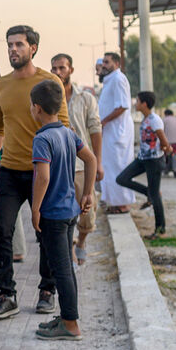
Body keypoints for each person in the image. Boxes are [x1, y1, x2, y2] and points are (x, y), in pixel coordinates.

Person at [0, 24, 70, 320]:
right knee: (2, 231)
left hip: (42, 172)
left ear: (33, 48)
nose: (13, 50)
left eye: (19, 44)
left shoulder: (50, 81)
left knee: (44, 232)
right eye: (9, 45)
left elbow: (64, 128)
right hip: (9, 170)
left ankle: (47, 290)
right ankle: (6, 294)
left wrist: (64, 173)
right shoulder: (2, 86)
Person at [28, 80, 97, 340]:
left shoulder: (42, 138)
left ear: (36, 108)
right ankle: (68, 316)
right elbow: (90, 159)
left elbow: (43, 178)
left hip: (54, 215)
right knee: (66, 267)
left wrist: (35, 208)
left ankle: (70, 325)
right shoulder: (68, 133)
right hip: (69, 211)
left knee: (62, 270)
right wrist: (87, 193)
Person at [50, 53, 103, 265]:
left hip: (82, 164)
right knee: (63, 211)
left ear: (71, 70)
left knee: (87, 212)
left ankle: (81, 241)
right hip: (58, 165)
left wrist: (98, 161)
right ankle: (70, 247)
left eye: (62, 68)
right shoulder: (50, 98)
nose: (58, 72)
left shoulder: (86, 98)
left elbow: (95, 130)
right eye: (54, 68)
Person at [0, 62, 27, 263]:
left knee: (2, 212)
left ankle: (15, 250)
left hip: (0, 164)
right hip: (4, 160)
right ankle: (16, 249)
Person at [115, 90, 171, 238]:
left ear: (144, 104)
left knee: (155, 196)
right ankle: (150, 193)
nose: (136, 104)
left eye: (138, 101)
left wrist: (166, 151)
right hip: (142, 159)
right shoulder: (145, 119)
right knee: (122, 178)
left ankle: (160, 229)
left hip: (153, 161)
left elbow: (164, 142)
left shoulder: (154, 120)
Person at [99, 52, 134, 213]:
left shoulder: (119, 79)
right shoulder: (110, 80)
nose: (104, 65)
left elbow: (122, 106)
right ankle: (114, 202)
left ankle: (123, 204)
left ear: (117, 64)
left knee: (118, 166)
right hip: (110, 132)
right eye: (103, 62)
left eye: (107, 62)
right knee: (109, 166)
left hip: (118, 132)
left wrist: (104, 121)